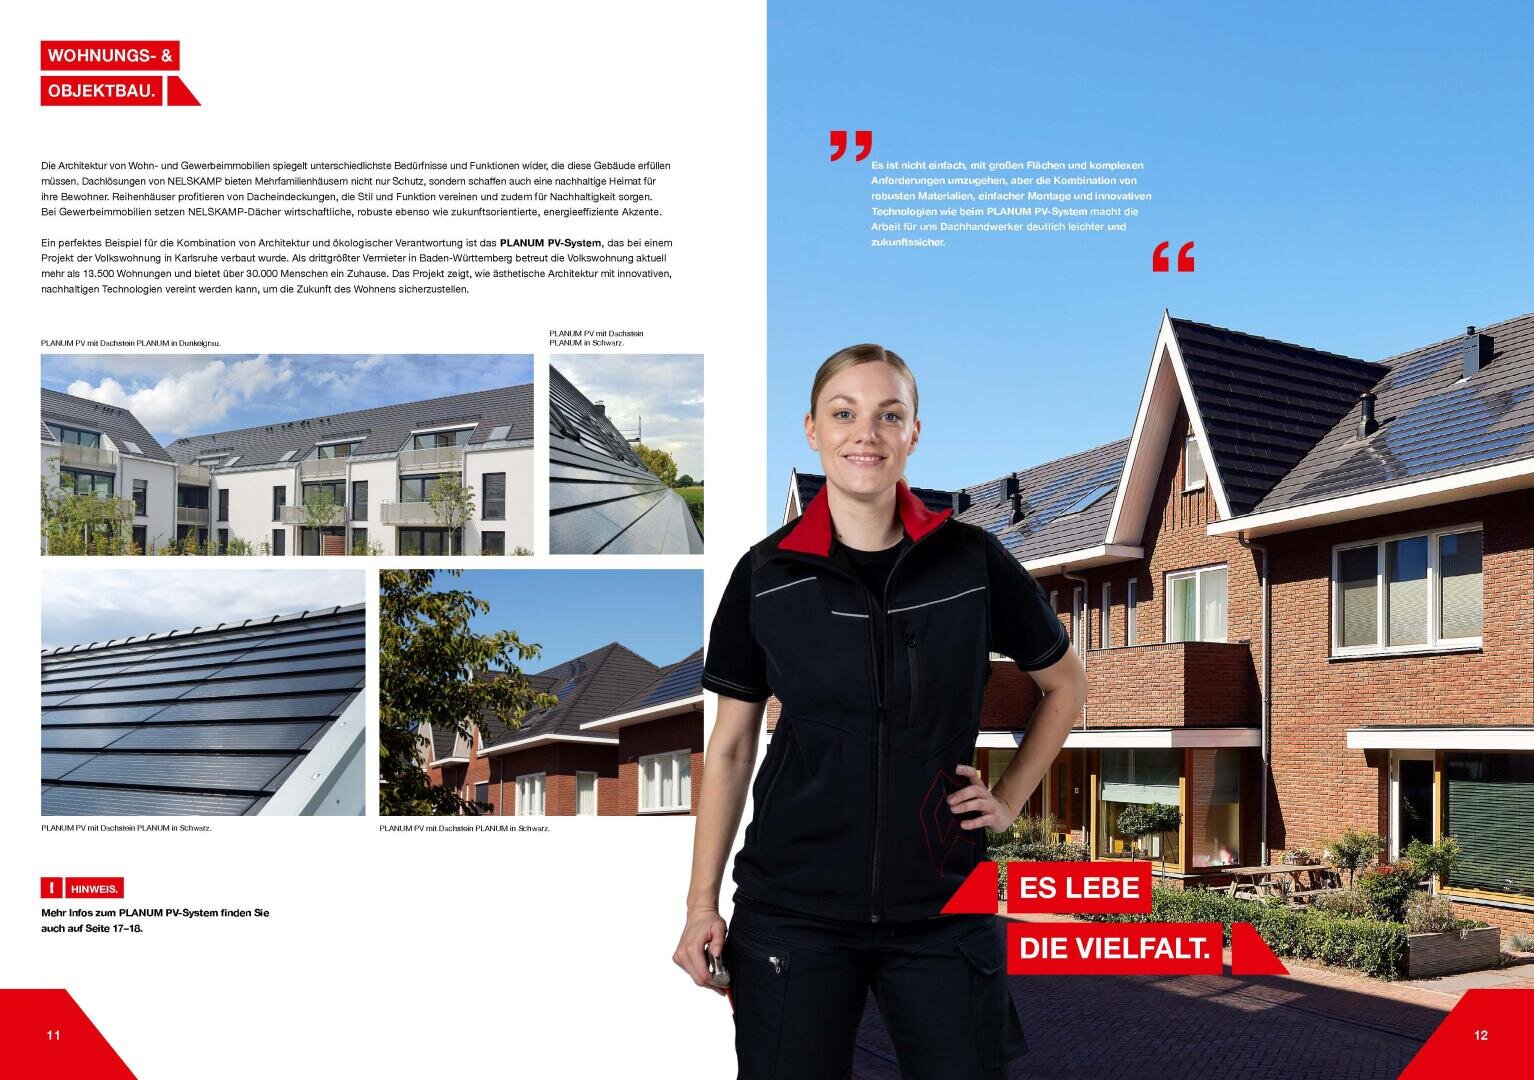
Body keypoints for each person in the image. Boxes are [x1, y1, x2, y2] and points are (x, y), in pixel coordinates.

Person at [675, 344, 1088, 1079]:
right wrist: (701, 904)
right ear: (812, 429)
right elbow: (732, 747)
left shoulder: (972, 561)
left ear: (913, 434)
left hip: (942, 906)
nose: (865, 433)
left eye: (888, 415)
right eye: (845, 413)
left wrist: (1010, 798)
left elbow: (1065, 685)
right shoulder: (765, 576)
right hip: (791, 910)